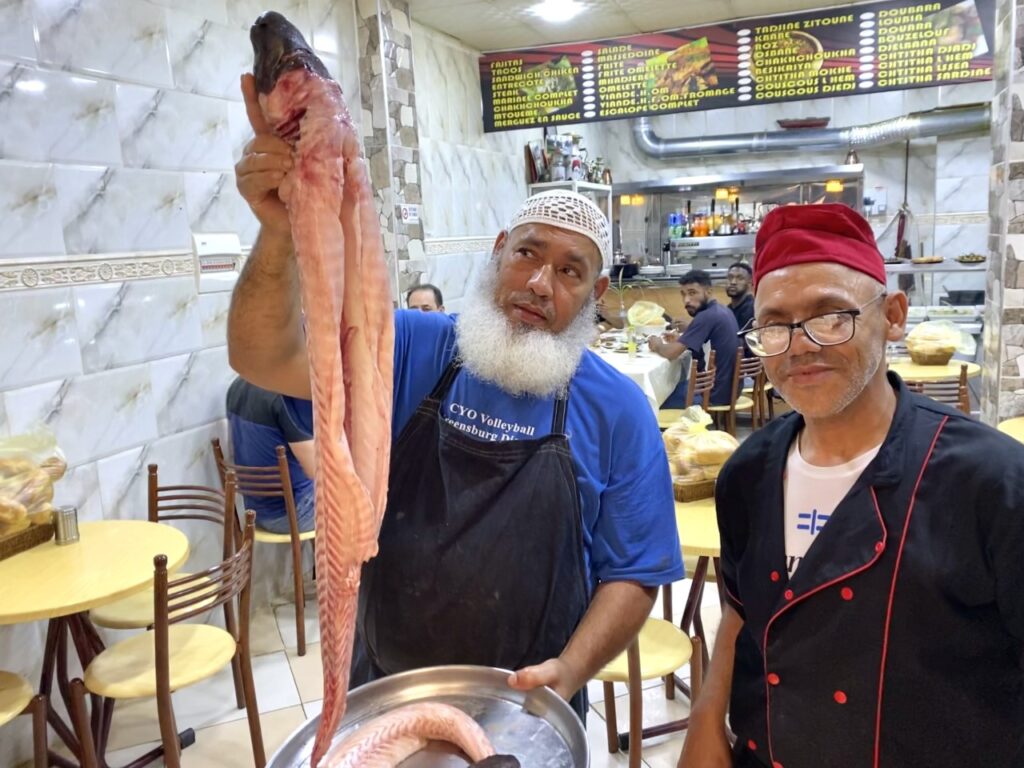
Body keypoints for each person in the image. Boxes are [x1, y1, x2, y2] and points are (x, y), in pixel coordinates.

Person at [229, 84, 684, 723]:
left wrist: (571, 671)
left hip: (528, 701)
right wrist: (276, 234)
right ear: (499, 249)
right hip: (388, 684)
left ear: (596, 289)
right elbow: (262, 358)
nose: (537, 283)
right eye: (528, 252)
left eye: (569, 271)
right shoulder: (416, 347)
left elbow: (634, 573)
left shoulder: (619, 412)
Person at [678, 204, 1024, 768]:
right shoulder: (747, 473)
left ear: (892, 315)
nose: (800, 345)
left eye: (831, 315)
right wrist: (706, 718)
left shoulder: (994, 484)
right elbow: (740, 611)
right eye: (774, 324)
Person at [226, 375, 316, 533]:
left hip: (253, 511)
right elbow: (315, 469)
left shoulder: (236, 386)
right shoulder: (286, 397)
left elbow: (234, 449)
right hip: (292, 515)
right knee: (368, 501)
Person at [649, 270, 739, 407]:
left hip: (712, 394)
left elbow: (671, 353)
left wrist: (658, 344)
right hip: (730, 389)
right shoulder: (721, 310)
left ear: (708, 292)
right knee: (673, 385)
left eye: (692, 293)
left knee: (653, 397)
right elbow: (698, 341)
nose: (686, 300)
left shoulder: (706, 316)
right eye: (683, 294)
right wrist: (681, 339)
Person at [725, 262, 754, 334]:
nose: (733, 282)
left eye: (740, 278)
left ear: (750, 282)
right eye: (730, 277)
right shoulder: (728, 310)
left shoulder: (752, 309)